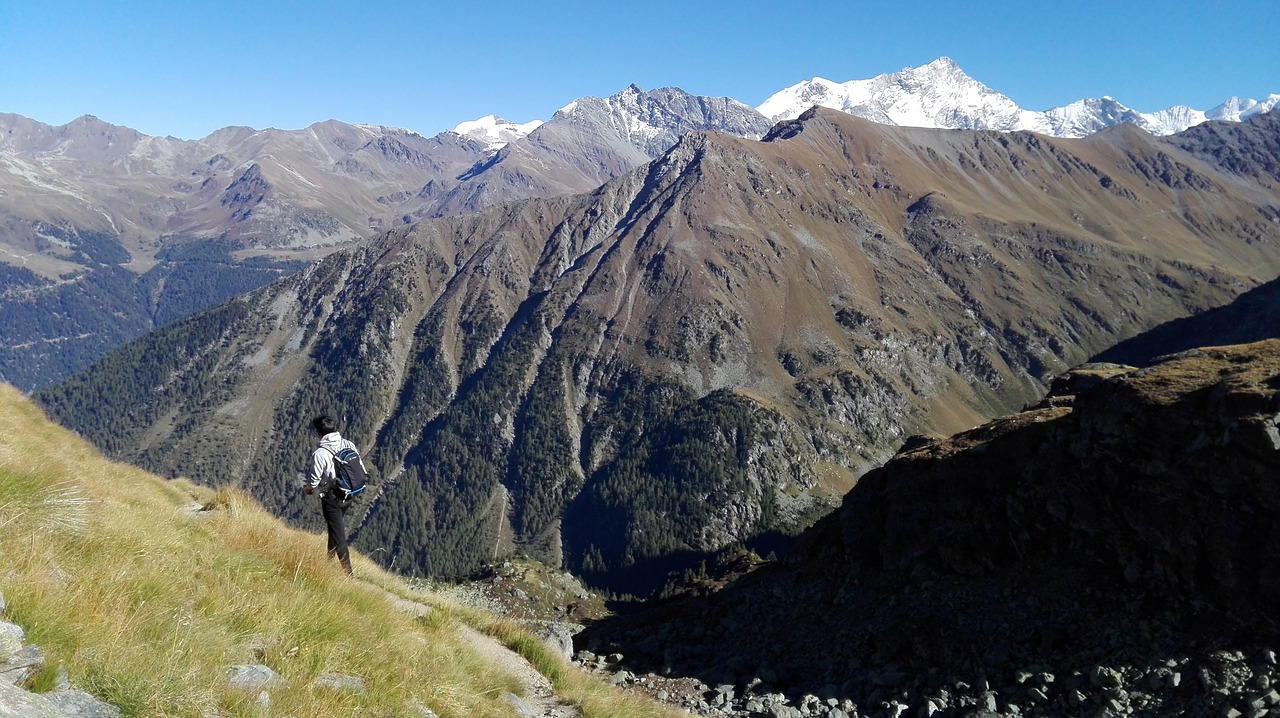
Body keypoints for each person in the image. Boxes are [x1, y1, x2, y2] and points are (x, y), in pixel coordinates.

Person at [304, 414, 366, 575]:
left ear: (319, 433)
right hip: (349, 493)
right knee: (334, 528)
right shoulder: (348, 444)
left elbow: (314, 480)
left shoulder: (321, 453)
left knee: (338, 535)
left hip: (332, 498)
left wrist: (309, 489)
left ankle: (348, 575)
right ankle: (326, 562)